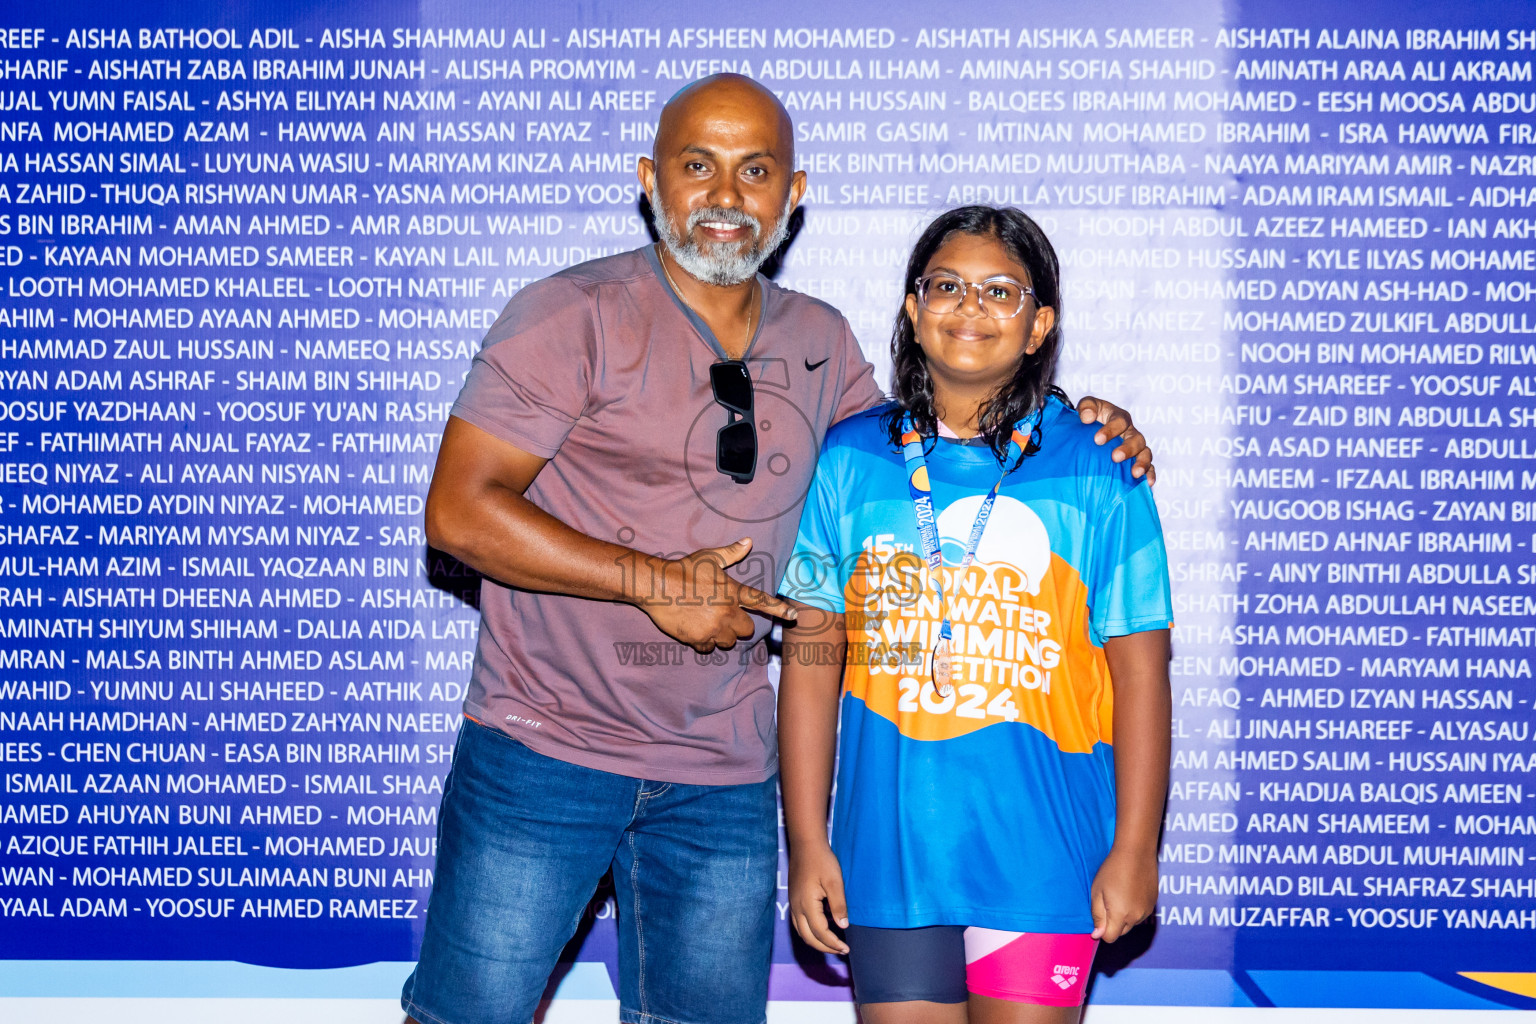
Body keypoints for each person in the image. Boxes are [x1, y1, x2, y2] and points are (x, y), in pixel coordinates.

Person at [403, 75, 1157, 1024]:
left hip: (723, 780)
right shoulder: (568, 315)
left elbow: (927, 446)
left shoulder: (821, 340)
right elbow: (459, 513)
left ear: (792, 194)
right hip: (545, 754)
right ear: (651, 181)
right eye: (698, 166)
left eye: (755, 170)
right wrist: (649, 583)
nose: (726, 196)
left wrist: (1076, 421)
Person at [779, 205, 1173, 1023]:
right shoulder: (850, 460)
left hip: (1045, 847)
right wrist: (809, 842)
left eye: (1002, 291)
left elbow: (1141, 674)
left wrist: (1135, 849)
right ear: (914, 310)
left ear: (1039, 325)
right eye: (947, 286)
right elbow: (812, 665)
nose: (971, 308)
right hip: (890, 850)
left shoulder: (1099, 467)